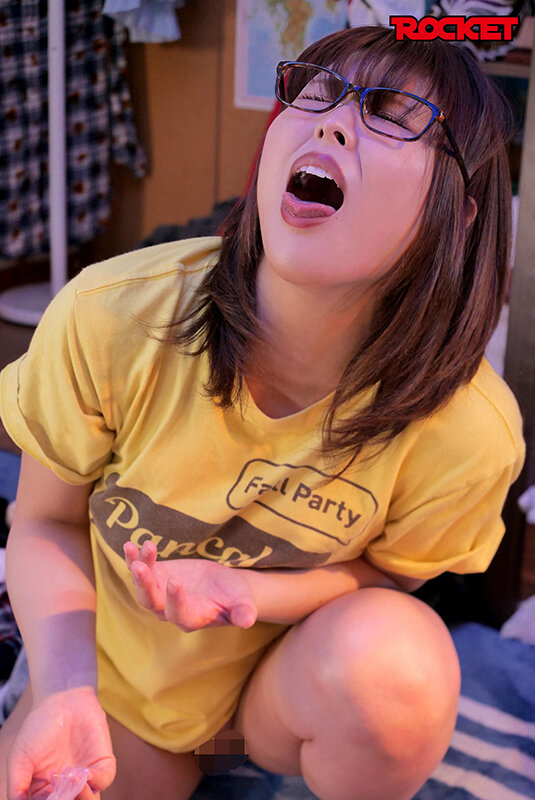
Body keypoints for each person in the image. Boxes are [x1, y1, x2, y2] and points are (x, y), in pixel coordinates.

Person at [0, 23, 525, 800]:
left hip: (265, 716)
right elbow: (43, 522)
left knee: (400, 666)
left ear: (463, 210)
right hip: (115, 692)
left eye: (390, 112)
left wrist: (252, 594)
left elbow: (390, 575)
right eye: (317, 92)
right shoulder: (112, 316)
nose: (332, 121)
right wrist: (64, 686)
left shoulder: (469, 431)